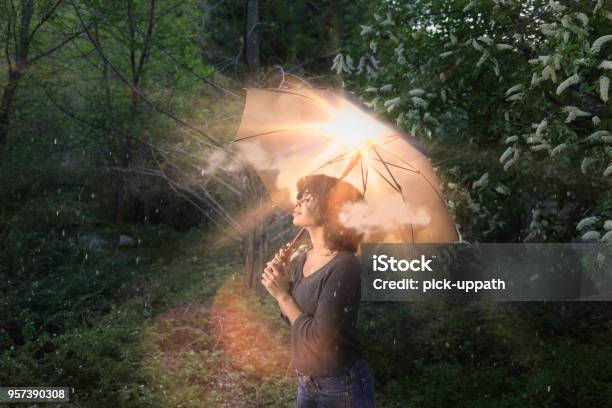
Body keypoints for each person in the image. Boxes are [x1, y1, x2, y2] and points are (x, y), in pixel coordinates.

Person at [261, 174, 376, 408]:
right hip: (307, 383)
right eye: (300, 196)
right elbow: (293, 320)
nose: (298, 201)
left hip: (342, 387)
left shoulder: (344, 266)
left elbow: (318, 339)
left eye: (308, 197)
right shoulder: (305, 257)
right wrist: (281, 283)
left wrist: (283, 295)